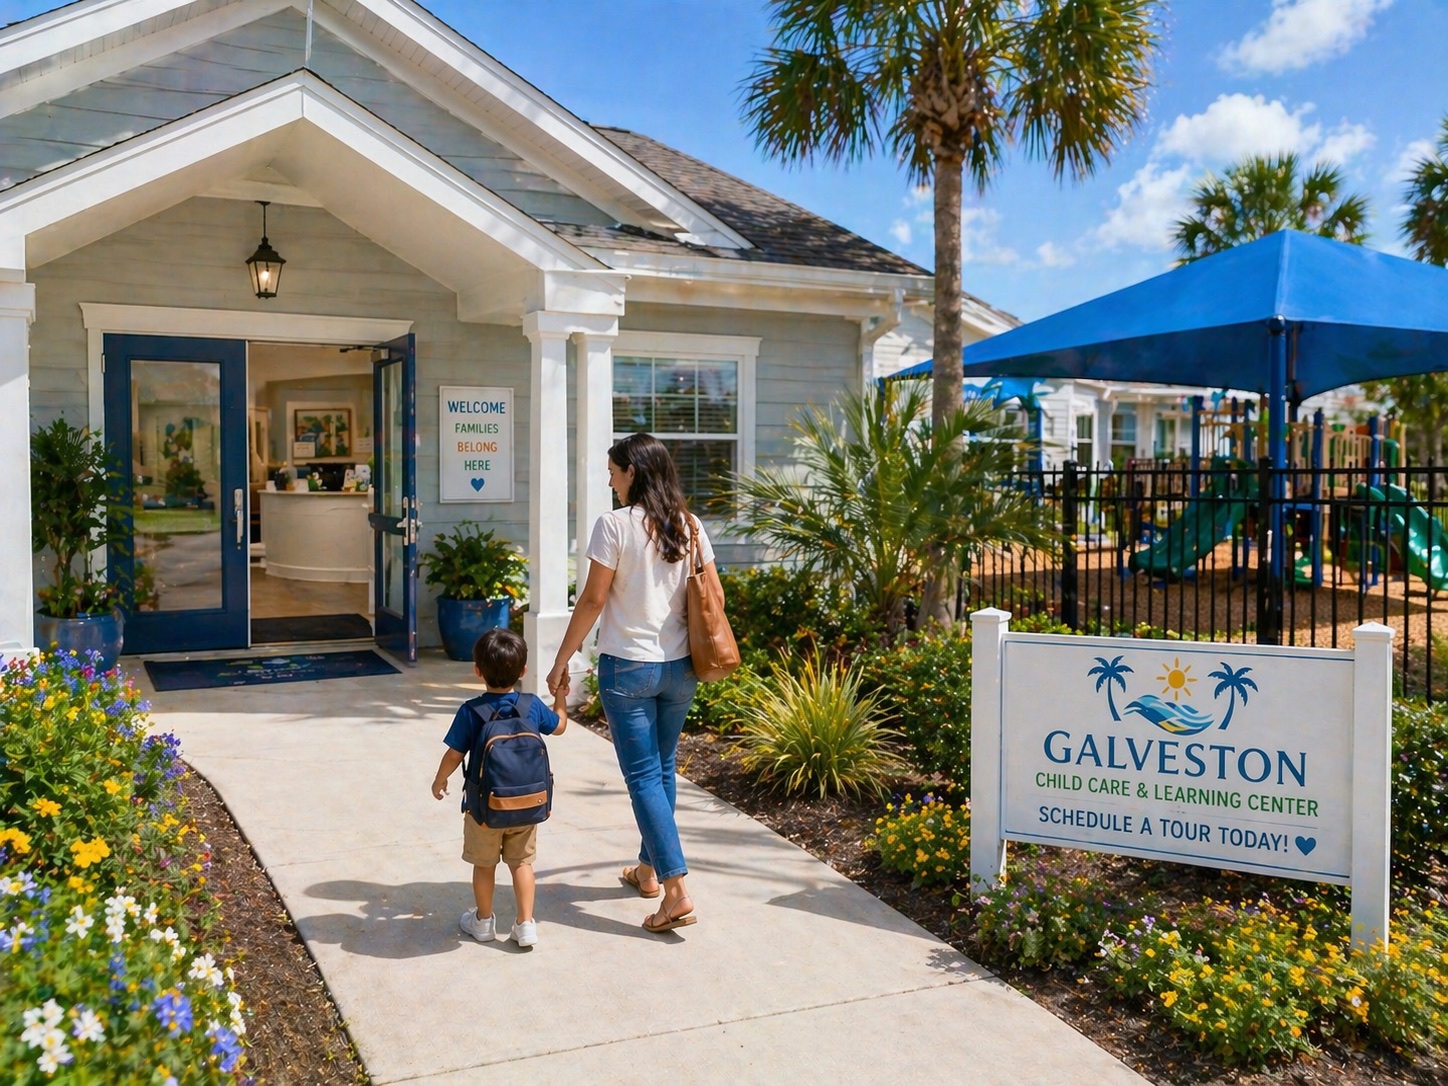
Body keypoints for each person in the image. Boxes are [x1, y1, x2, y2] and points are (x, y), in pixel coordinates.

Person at [547, 432, 712, 934]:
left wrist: (561, 660)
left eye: (614, 474)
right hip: (681, 668)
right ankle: (647, 871)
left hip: (630, 671)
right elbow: (711, 596)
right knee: (661, 772)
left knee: (644, 777)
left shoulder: (614, 526)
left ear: (633, 473)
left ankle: (676, 889)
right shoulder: (690, 525)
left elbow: (593, 601)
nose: (612, 483)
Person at [431, 627, 567, 948]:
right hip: (527, 805)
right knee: (522, 864)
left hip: (484, 809)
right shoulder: (532, 706)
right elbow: (559, 726)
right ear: (522, 671)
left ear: (478, 671)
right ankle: (525, 924)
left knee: (485, 864)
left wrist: (440, 780)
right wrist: (561, 696)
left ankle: (483, 921)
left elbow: (454, 754)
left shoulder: (471, 711)